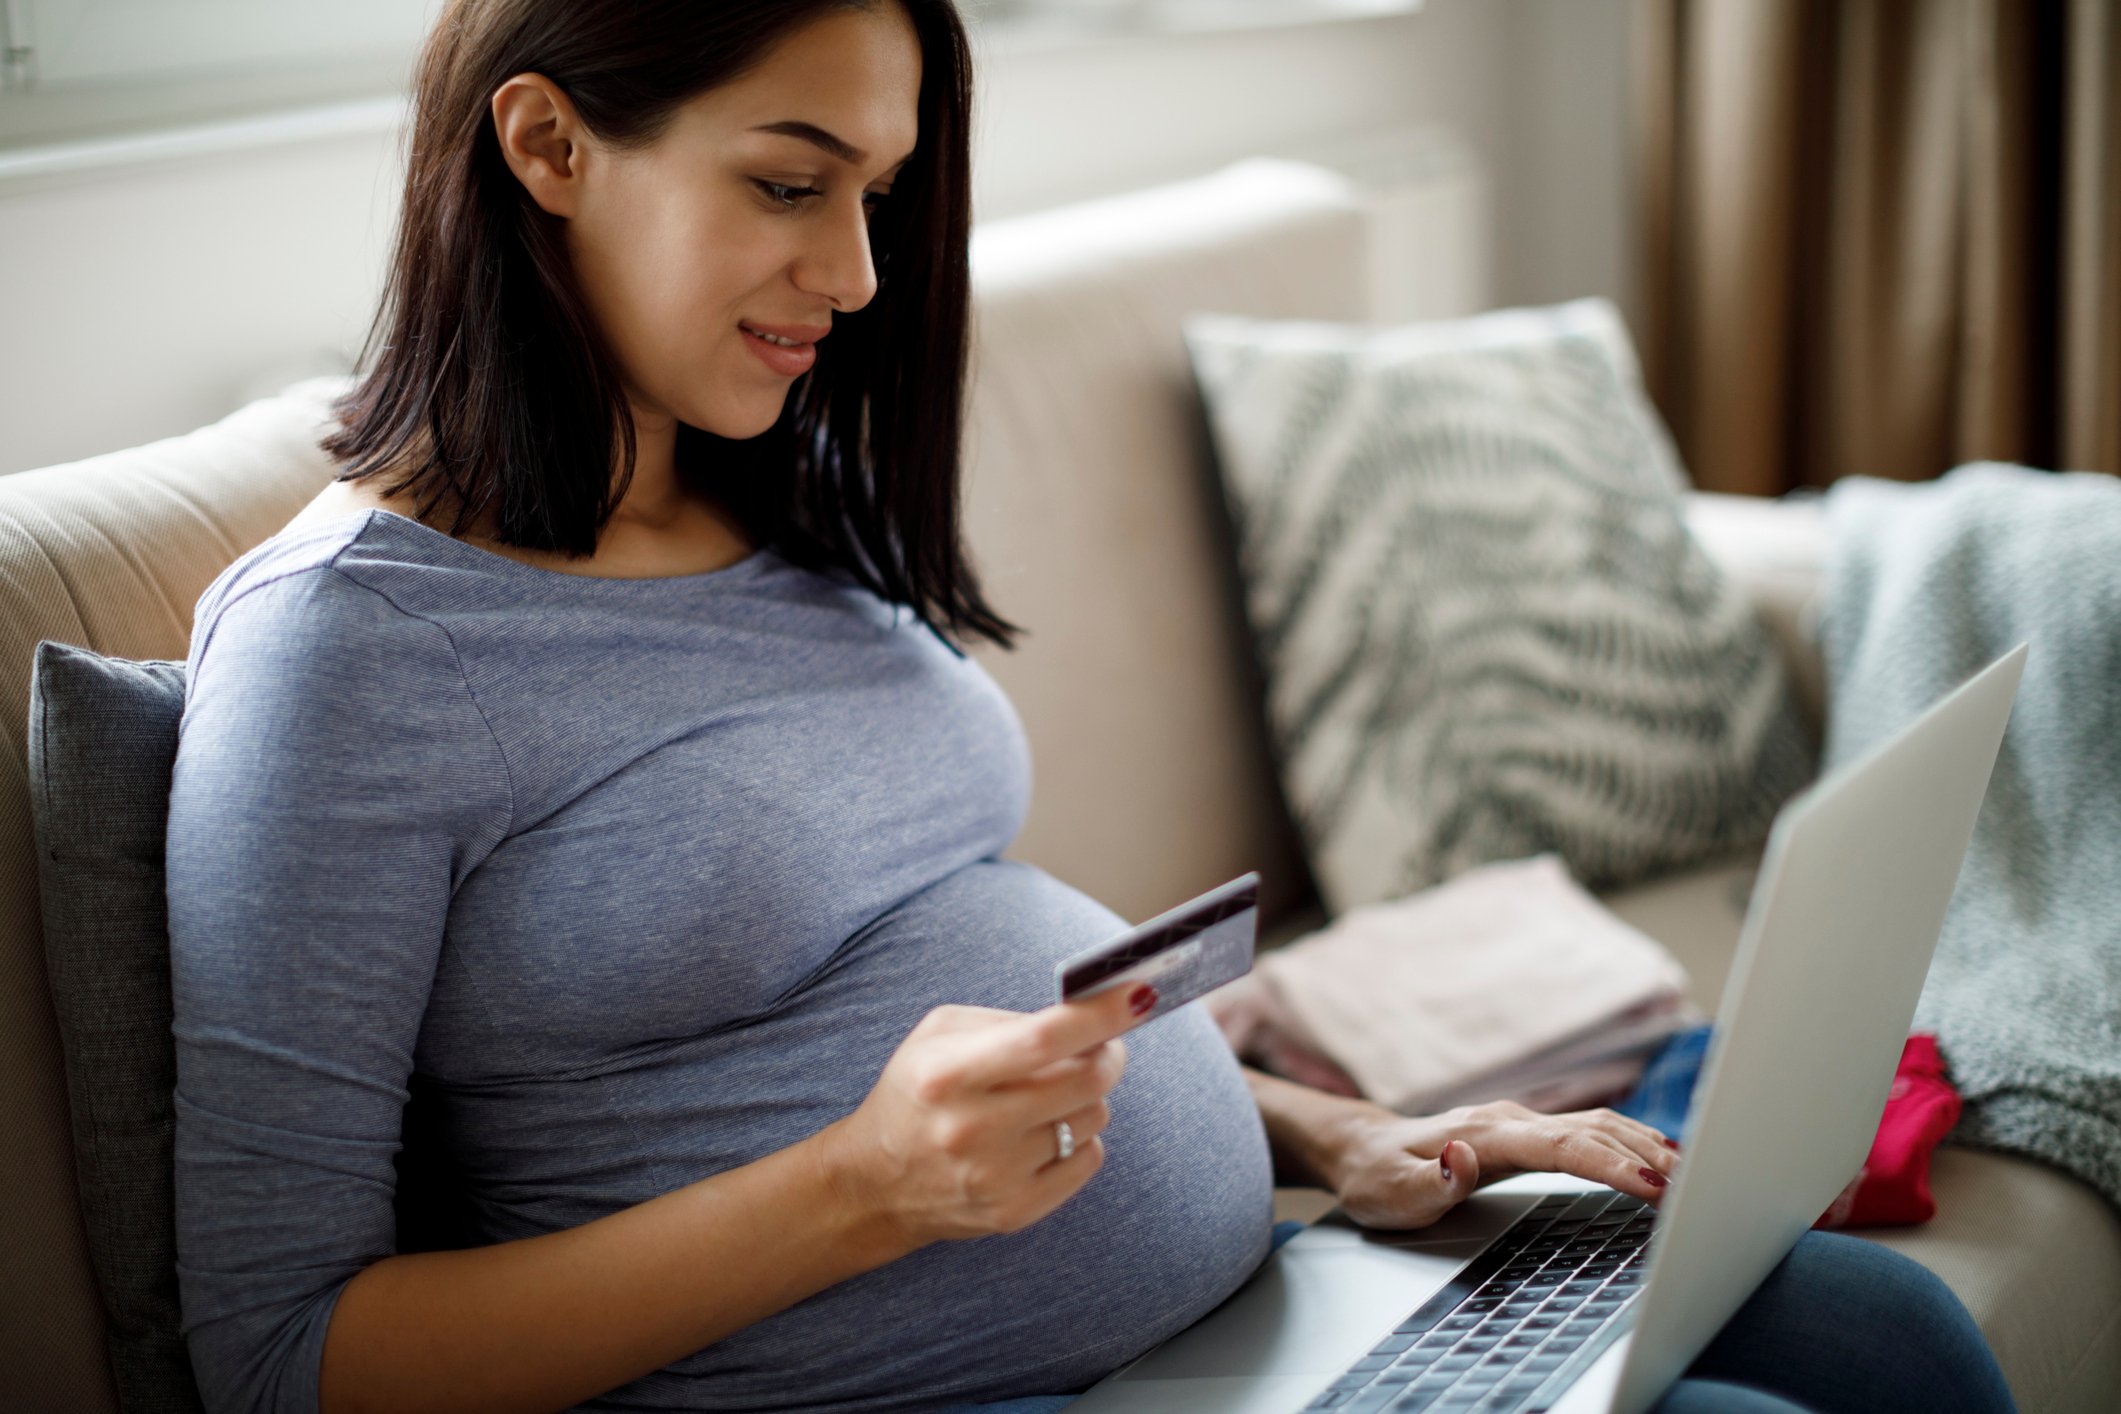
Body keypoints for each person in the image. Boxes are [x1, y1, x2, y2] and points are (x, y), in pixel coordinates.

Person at [164, 3, 2017, 1413]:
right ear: (549, 145)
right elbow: (279, 1349)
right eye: (790, 184)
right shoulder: (347, 655)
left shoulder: (768, 496)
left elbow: (962, 1006)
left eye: (877, 197)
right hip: (930, 1377)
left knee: (1899, 1337)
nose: (857, 275)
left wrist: (1321, 1129)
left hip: (1243, 1284)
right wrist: (856, 1192)